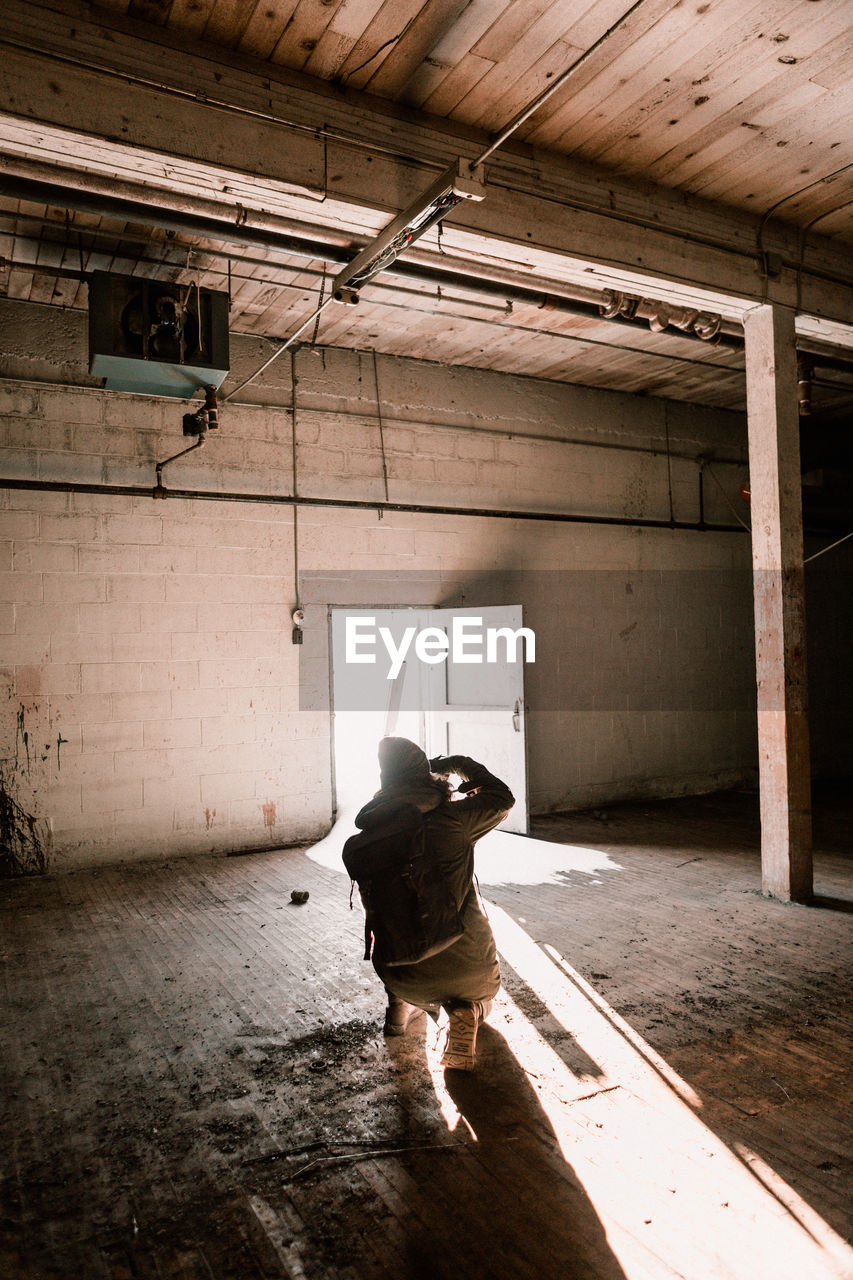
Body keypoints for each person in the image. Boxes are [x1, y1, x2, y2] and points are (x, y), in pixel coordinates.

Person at [350, 736, 514, 1071]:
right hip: (465, 967)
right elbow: (502, 797)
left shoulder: (369, 834)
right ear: (424, 776)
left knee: (401, 919)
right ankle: (467, 1012)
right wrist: (457, 763)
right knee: (484, 997)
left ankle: (398, 1007)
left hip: (398, 969)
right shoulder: (453, 818)